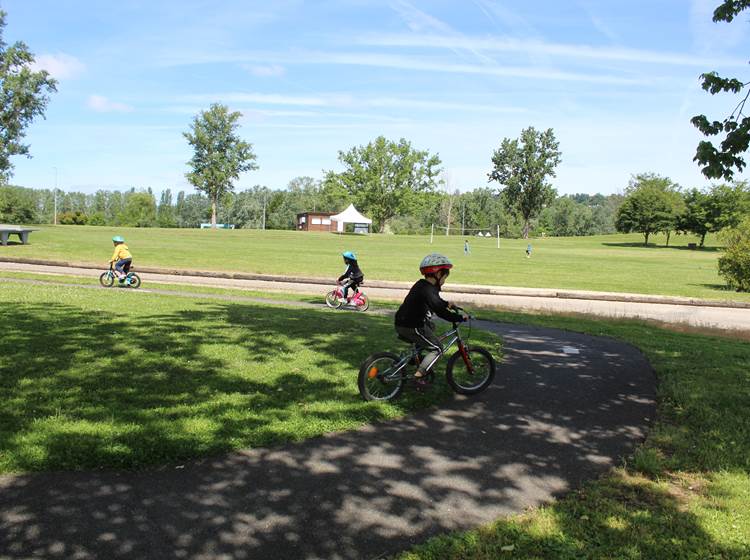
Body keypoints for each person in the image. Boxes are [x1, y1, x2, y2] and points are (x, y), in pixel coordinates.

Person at [394, 253, 466, 382]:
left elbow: (435, 302)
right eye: (445, 276)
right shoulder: (428, 290)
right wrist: (459, 317)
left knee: (430, 326)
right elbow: (441, 312)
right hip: (412, 326)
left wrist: (446, 304)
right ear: (438, 274)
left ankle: (414, 357)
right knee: (437, 348)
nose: (444, 280)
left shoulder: (422, 285)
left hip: (402, 322)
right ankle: (418, 376)